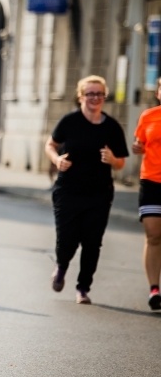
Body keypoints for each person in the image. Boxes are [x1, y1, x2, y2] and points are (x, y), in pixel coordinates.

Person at [44, 75, 128, 305]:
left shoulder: (111, 127)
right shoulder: (69, 122)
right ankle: (61, 266)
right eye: (90, 94)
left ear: (104, 97)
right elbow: (50, 145)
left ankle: (83, 287)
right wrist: (57, 159)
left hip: (99, 194)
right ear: (81, 96)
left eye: (99, 94)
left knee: (92, 242)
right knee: (67, 238)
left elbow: (121, 162)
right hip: (67, 191)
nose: (95, 98)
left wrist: (113, 159)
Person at [133, 78, 161, 311]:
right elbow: (139, 142)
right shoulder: (148, 116)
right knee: (153, 235)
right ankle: (154, 288)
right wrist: (137, 147)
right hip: (151, 180)